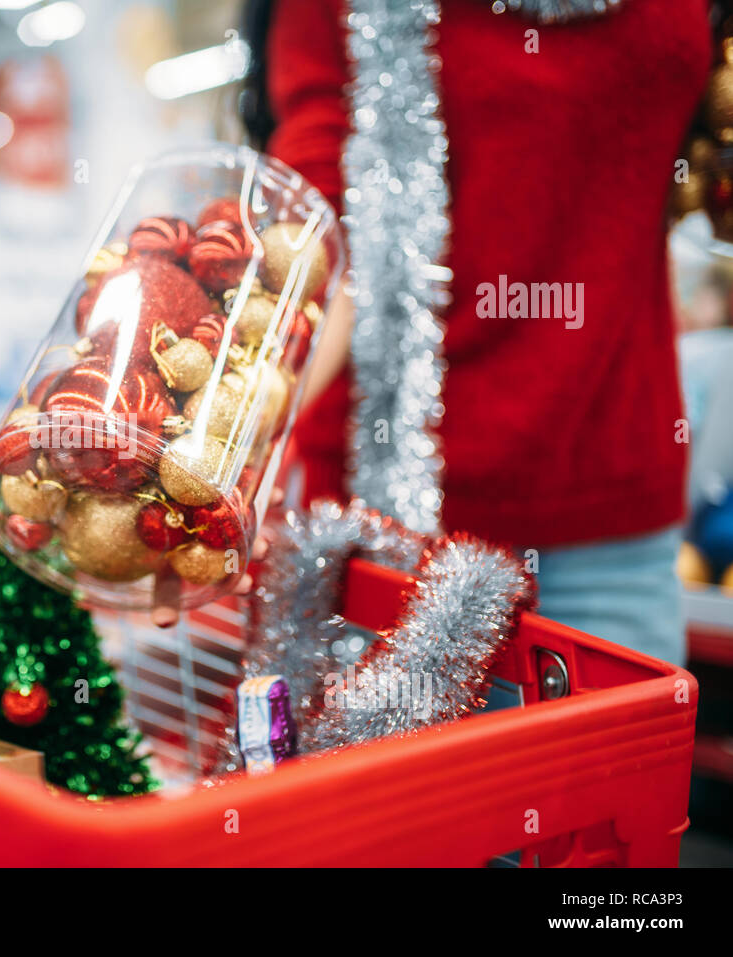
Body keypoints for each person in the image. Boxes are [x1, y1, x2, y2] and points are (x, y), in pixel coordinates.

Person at [246, 0, 710, 663]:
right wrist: (219, 456)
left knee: (622, 766)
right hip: (395, 528)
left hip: (616, 516)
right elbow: (318, 243)